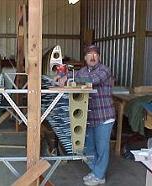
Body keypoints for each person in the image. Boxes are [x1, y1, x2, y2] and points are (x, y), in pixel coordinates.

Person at [54, 44, 115, 186]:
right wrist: (61, 74)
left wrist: (69, 79)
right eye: (89, 55)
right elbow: (74, 75)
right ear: (85, 58)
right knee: (87, 148)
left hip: (104, 116)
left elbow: (92, 80)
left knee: (102, 148)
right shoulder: (83, 71)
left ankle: (99, 176)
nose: (92, 57)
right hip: (90, 117)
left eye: (95, 54)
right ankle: (96, 171)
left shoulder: (104, 70)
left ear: (99, 57)